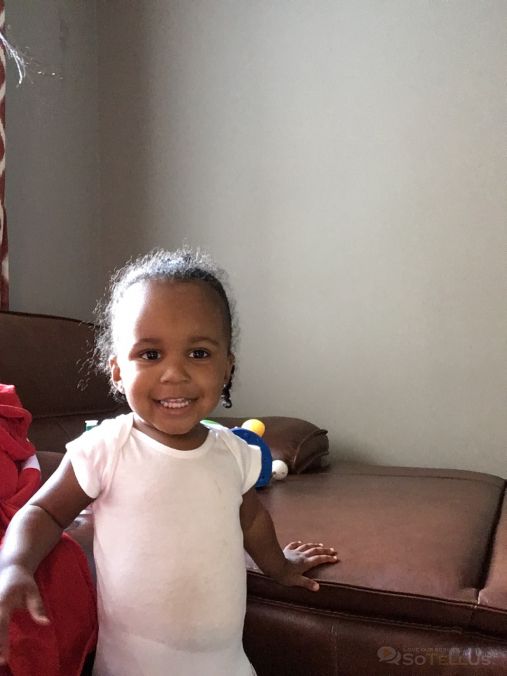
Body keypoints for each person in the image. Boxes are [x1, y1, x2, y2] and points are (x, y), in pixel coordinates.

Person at [0, 248, 338, 675]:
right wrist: (15, 564)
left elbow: (251, 519)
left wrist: (280, 567)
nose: (174, 373)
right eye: (150, 355)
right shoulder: (107, 447)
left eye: (198, 354)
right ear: (117, 370)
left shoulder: (231, 451)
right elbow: (44, 512)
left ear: (227, 368)